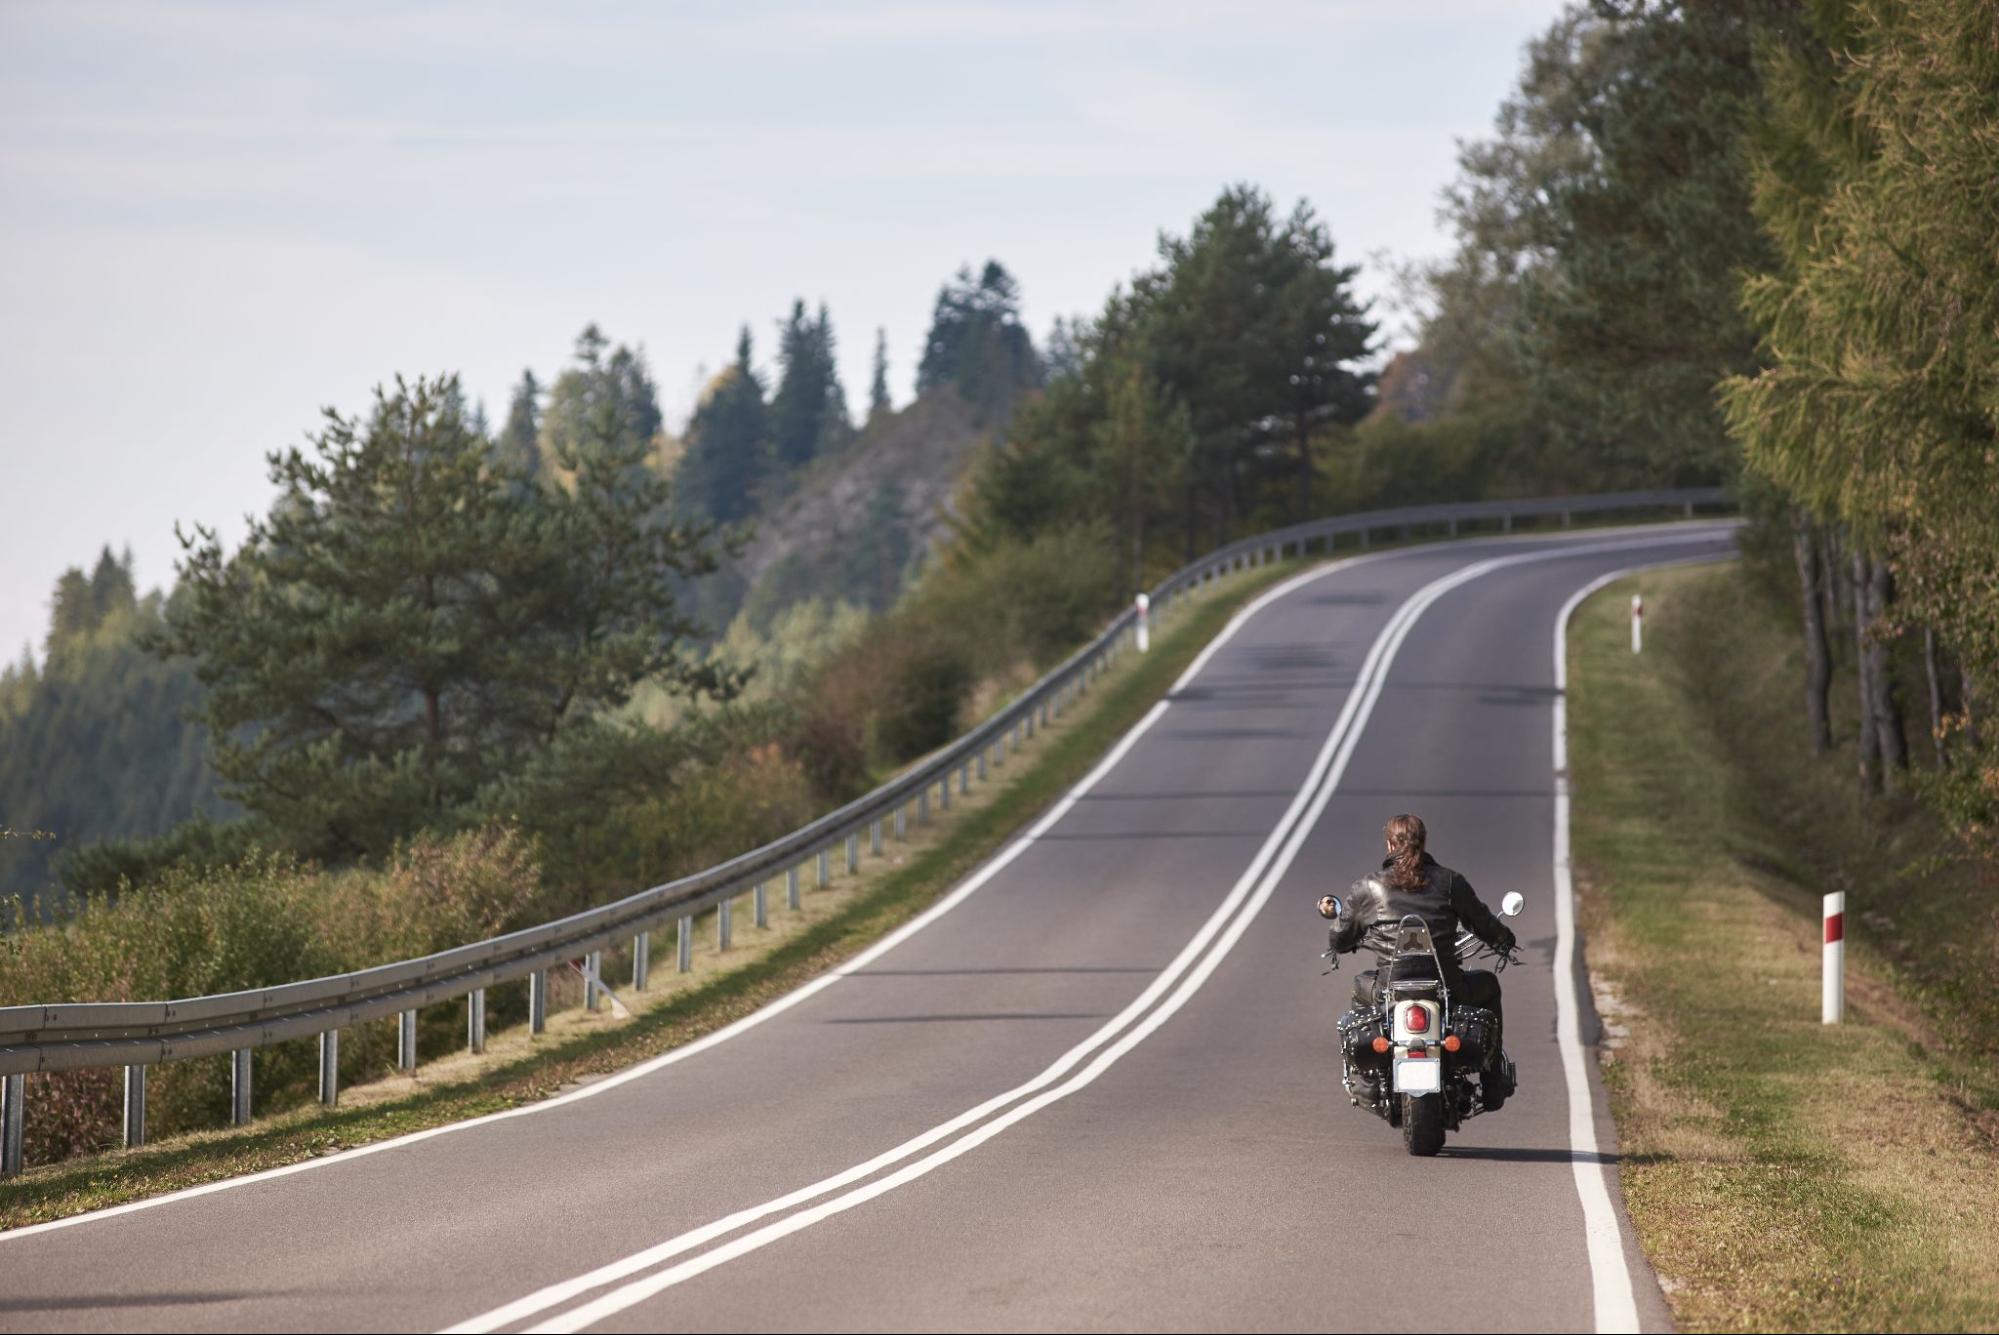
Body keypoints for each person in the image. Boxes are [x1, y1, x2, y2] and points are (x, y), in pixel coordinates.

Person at [1318, 813, 1517, 1106]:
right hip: (1447, 987)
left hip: (1389, 990)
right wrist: (1504, 940)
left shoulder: (1368, 887)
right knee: (1488, 984)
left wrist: (1343, 943)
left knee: (1360, 986)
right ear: (1423, 842)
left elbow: (1340, 937)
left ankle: (1368, 1080)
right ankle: (1492, 1080)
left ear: (1389, 845)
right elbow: (1483, 922)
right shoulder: (1450, 882)